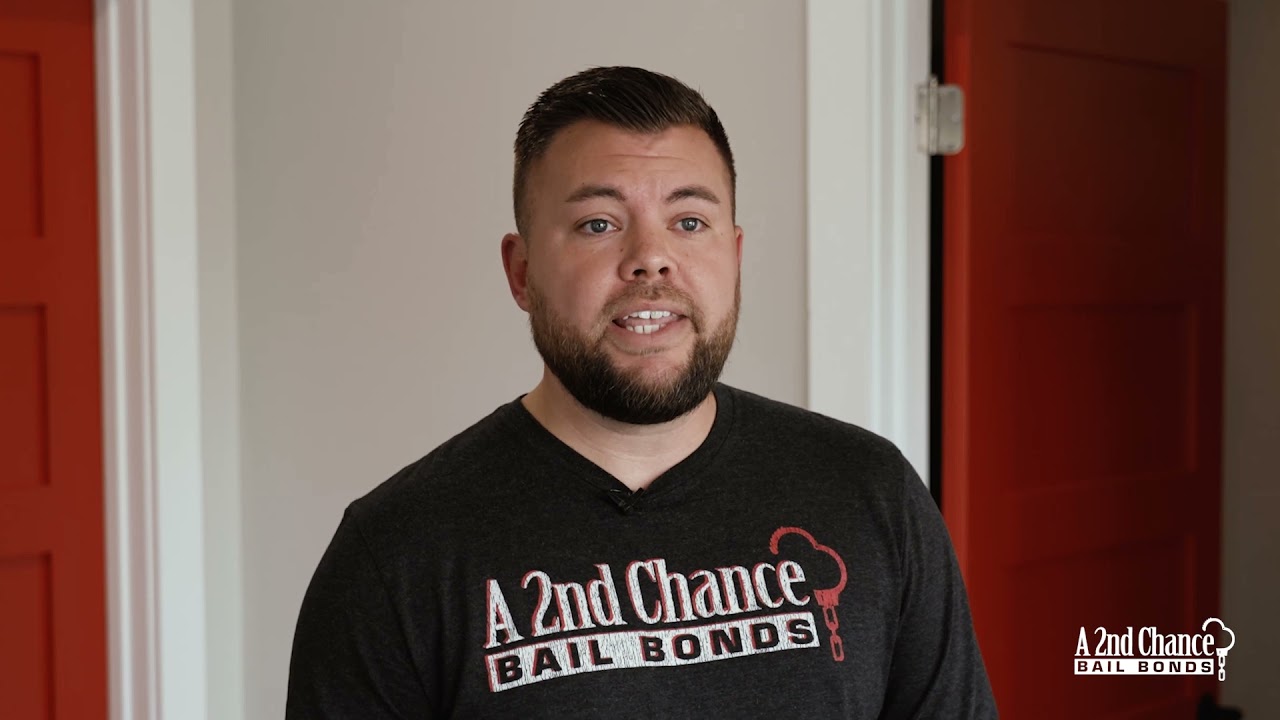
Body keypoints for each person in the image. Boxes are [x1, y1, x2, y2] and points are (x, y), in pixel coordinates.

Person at [286, 66, 996, 719]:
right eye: (598, 224)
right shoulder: (397, 553)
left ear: (735, 257)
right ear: (521, 272)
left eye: (689, 222)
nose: (651, 258)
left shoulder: (869, 493)